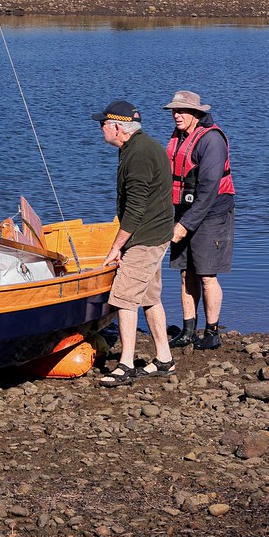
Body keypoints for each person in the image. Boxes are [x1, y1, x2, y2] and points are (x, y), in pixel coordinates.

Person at [92, 100, 175, 386]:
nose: (101, 128)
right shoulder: (138, 147)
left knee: (124, 297)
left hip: (146, 237)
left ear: (118, 128)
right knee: (150, 297)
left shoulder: (139, 154)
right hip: (155, 232)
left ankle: (126, 364)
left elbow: (135, 208)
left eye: (103, 124)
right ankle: (164, 358)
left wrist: (116, 247)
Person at [163, 90, 236, 351]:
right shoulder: (180, 136)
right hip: (184, 210)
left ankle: (212, 332)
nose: (176, 115)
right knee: (186, 273)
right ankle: (187, 330)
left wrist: (184, 226)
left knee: (206, 275)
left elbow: (208, 191)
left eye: (182, 111)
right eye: (174, 110)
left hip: (212, 214)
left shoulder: (212, 141)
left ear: (197, 113)